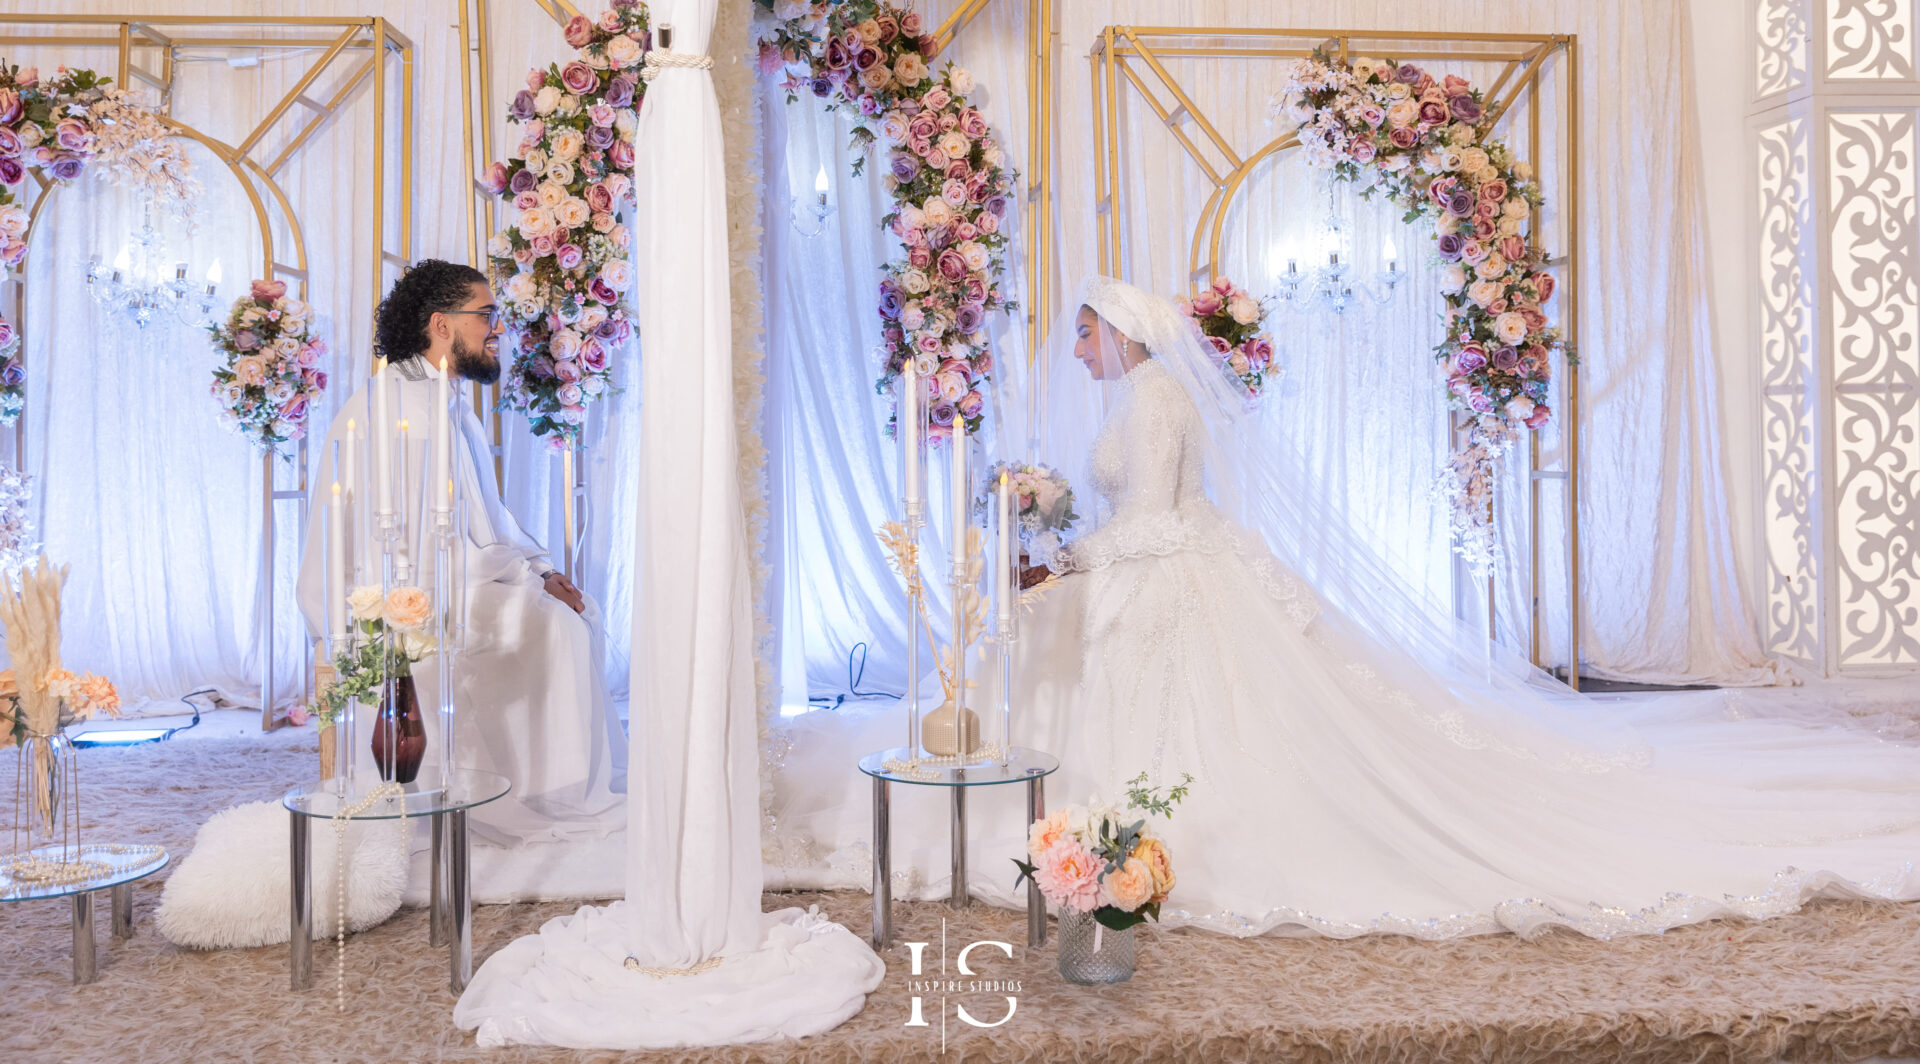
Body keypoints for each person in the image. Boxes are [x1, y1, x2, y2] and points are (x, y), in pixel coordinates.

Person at [766, 275, 1920, 939]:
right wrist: (1064, 534)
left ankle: (1141, 835)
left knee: (1215, 729)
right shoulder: (1146, 394)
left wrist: (1061, 560)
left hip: (1173, 579)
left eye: (1080, 330)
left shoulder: (1155, 397)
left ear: (1118, 331)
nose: (1071, 348)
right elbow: (1142, 512)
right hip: (1162, 572)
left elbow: (1157, 520)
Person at [296, 260, 625, 898]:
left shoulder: (443, 401)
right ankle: (532, 795)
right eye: (486, 316)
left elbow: (486, 519)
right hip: (400, 599)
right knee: (552, 625)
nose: (498, 329)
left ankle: (546, 786)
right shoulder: (403, 412)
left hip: (456, 576)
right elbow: (416, 552)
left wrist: (539, 567)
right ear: (442, 325)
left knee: (571, 612)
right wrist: (523, 578)